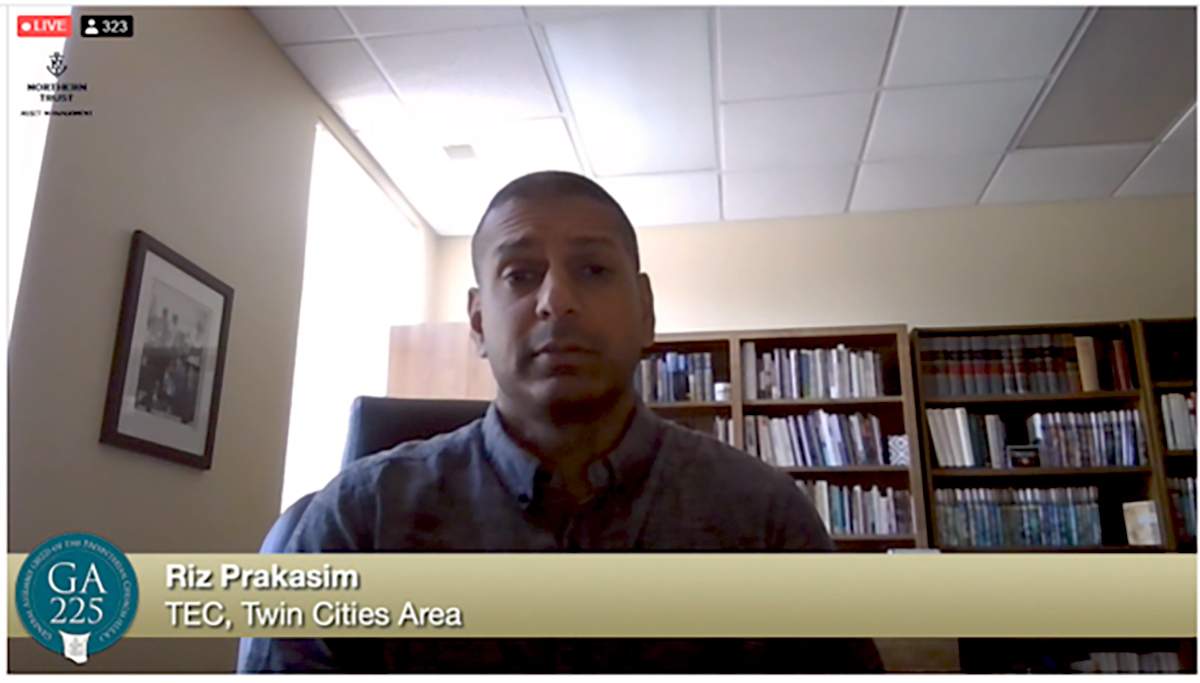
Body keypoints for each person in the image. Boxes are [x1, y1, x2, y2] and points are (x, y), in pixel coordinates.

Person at [239, 171, 883, 673]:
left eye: (593, 270)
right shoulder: (358, 519)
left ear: (647, 312)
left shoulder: (764, 518)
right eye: (520, 275)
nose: (556, 300)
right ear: (478, 323)